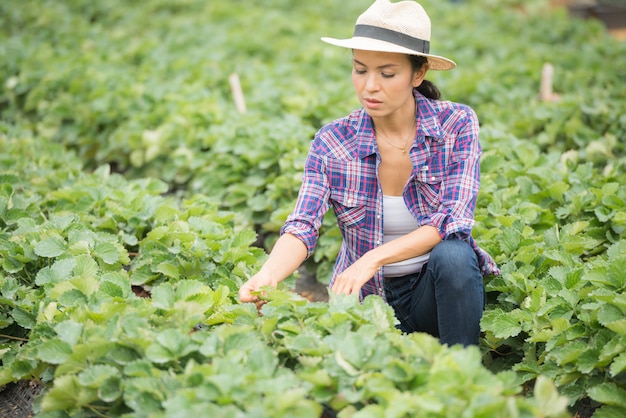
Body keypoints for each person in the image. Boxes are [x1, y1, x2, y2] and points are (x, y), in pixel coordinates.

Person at [238, 0, 500, 346]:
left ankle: (463, 376)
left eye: (387, 73)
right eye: (360, 70)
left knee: (454, 254)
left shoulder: (456, 125)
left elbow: (451, 220)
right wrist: (268, 274)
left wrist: (372, 259)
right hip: (364, 301)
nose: (370, 86)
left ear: (417, 74)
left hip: (432, 297)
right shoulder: (333, 141)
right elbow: (303, 224)